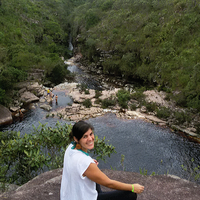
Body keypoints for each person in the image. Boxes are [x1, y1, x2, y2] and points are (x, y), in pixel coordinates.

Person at [60, 121, 144, 200]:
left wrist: (90, 163)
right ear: (76, 138)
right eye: (85, 136)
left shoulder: (70, 148)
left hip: (68, 197)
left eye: (91, 134)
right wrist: (132, 187)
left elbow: (76, 163)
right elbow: (109, 183)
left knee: (94, 176)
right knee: (131, 194)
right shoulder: (84, 162)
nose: (90, 139)